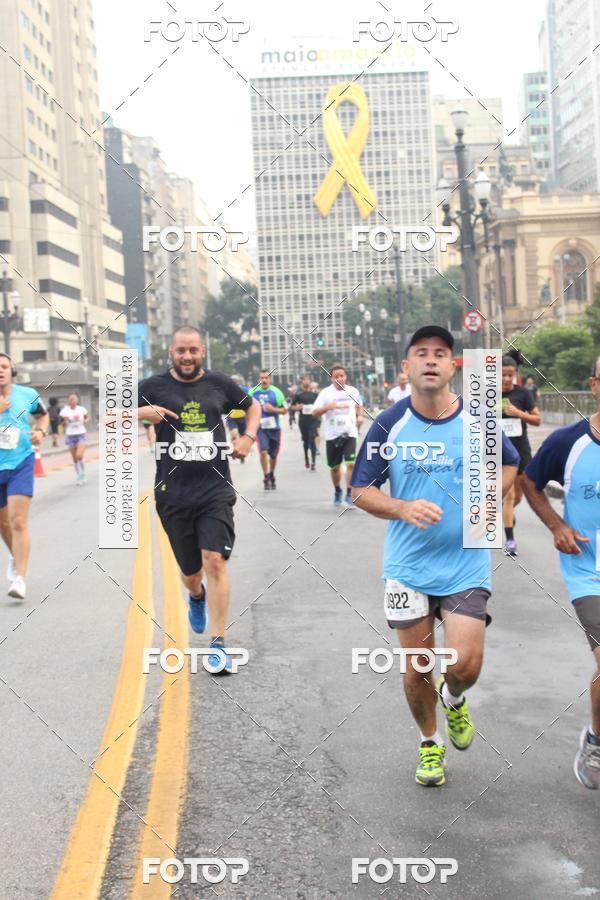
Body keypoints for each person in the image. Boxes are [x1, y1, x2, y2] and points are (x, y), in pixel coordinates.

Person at [350, 326, 519, 787]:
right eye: (420, 354)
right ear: (406, 367)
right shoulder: (389, 423)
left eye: (440, 354)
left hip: (465, 560)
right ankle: (429, 743)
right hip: (408, 567)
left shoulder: (479, 421)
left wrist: (488, 497)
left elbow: (510, 462)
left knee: (465, 665)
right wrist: (401, 507)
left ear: (452, 366)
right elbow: (360, 490)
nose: (430, 360)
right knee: (416, 668)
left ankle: (456, 698)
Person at [137, 326, 261, 672]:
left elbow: (253, 409)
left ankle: (219, 643)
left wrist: (248, 439)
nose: (187, 356)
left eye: (193, 350)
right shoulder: (151, 388)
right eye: (181, 351)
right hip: (173, 494)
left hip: (214, 489)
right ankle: (196, 595)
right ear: (170, 353)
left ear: (202, 351)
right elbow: (107, 416)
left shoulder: (220, 384)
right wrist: (139, 414)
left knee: (215, 561)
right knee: (191, 573)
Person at [523, 354, 600, 789]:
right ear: (593, 385)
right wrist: (557, 525)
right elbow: (530, 483)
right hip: (589, 571)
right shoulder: (568, 441)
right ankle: (597, 739)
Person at [0, 353, 49, 600]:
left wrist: (40, 431)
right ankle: (14, 555)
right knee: (4, 524)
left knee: (17, 520)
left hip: (21, 460)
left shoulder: (27, 394)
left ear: (12, 370)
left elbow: (43, 415)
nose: (0, 371)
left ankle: (19, 579)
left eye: (4, 366)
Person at [501, 355, 541, 555]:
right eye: (503, 375)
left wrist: (518, 413)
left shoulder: (523, 393)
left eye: (510, 375)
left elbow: (537, 419)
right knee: (507, 496)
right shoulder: (487, 394)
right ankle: (510, 540)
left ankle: (508, 516)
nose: (507, 379)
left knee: (516, 496)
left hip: (520, 451)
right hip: (496, 453)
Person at [312, 365, 363, 506]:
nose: (340, 378)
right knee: (334, 468)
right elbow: (314, 412)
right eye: (336, 376)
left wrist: (360, 416)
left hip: (350, 433)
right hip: (332, 435)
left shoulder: (353, 391)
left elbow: (360, 404)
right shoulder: (325, 393)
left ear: (345, 376)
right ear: (332, 378)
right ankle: (337, 490)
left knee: (350, 464)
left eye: (342, 375)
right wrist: (328, 407)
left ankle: (349, 492)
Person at [248, 371, 286, 490]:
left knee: (273, 455)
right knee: (263, 451)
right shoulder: (252, 393)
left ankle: (271, 474)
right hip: (260, 428)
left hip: (274, 428)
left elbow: (284, 410)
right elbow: (246, 409)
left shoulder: (277, 392)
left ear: (270, 379)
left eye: (266, 378)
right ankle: (265, 475)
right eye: (261, 378)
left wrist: (273, 409)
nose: (264, 380)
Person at [59, 393, 90, 485]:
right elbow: (61, 424)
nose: (73, 401)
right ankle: (79, 475)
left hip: (81, 434)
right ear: (68, 401)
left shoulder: (81, 409)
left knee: (79, 455)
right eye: (71, 399)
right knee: (75, 459)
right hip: (70, 435)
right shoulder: (64, 411)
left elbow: (86, 418)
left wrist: (85, 421)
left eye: (74, 399)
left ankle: (83, 473)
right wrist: (65, 420)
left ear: (77, 400)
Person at [292, 375, 319, 470]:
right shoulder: (298, 395)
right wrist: (297, 407)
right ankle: (306, 458)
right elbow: (292, 407)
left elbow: (320, 406)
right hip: (303, 421)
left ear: (310, 381)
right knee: (306, 441)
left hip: (313, 420)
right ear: (302, 382)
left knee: (312, 439)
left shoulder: (315, 395)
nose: (306, 381)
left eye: (308, 379)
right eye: (304, 380)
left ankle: (313, 462)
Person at [226, 377, 250, 464]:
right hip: (232, 417)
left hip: (243, 417)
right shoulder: (227, 391)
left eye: (236, 382)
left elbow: (251, 403)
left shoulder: (245, 390)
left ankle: (241, 452)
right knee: (234, 435)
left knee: (243, 436)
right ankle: (234, 451)